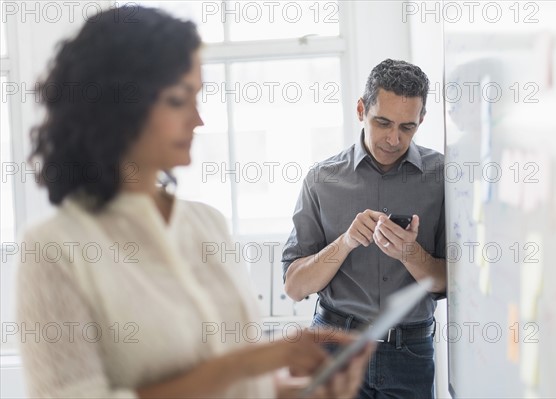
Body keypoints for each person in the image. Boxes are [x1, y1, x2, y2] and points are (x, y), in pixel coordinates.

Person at [15, 5, 372, 398]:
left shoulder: (208, 224)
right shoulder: (53, 249)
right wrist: (251, 361)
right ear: (116, 107)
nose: (198, 119)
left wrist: (310, 391)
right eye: (177, 100)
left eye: (197, 97)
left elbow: (244, 390)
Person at [282, 59, 446, 398]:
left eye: (407, 127)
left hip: (410, 353)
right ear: (361, 109)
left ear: (422, 121)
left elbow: (449, 281)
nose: (393, 138)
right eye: (382, 122)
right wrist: (344, 242)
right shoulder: (321, 179)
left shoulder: (443, 177)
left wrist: (409, 253)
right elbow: (295, 287)